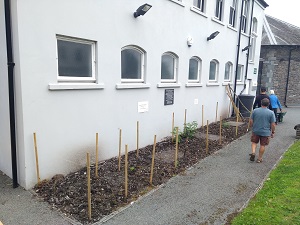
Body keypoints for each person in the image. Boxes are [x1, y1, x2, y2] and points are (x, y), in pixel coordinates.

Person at [249, 98, 276, 163]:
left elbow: (251, 121)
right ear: (268, 104)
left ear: (261, 103)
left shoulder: (255, 111)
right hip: (265, 132)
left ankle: (253, 152)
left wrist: (251, 126)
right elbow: (273, 124)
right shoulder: (271, 113)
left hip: (256, 130)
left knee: (254, 142)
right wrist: (273, 131)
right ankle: (259, 158)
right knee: (262, 145)